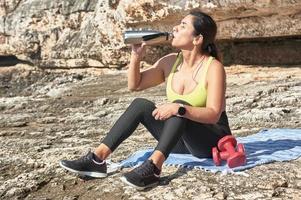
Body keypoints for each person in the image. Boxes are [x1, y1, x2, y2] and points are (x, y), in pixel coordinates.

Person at [59, 10, 231, 190]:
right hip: (180, 142)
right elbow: (136, 85)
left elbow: (213, 114)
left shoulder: (213, 68)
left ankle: (153, 168)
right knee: (141, 104)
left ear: (197, 39)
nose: (175, 28)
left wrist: (179, 108)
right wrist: (136, 56)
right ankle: (97, 159)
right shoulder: (170, 62)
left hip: (211, 142)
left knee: (180, 108)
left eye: (183, 26)